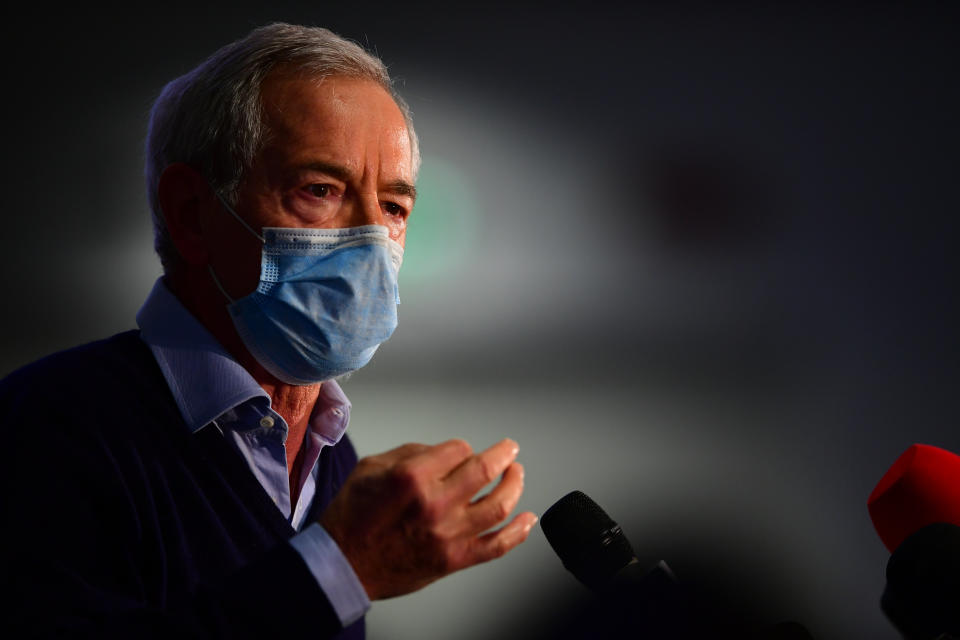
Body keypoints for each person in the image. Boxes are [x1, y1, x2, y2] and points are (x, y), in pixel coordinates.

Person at [0, 23, 536, 639]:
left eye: (393, 206)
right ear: (191, 214)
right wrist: (340, 568)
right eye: (320, 190)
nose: (370, 238)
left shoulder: (334, 461)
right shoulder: (53, 424)